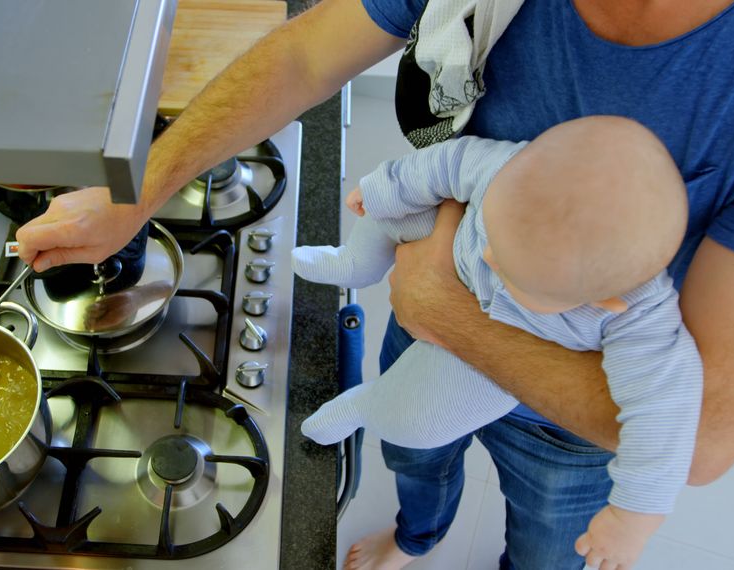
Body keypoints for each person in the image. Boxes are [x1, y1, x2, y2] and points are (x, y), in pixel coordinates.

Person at [16, 0, 734, 568]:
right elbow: (311, 50)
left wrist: (441, 309)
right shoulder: (497, 164)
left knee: (557, 541)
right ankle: (420, 534)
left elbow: (697, 439)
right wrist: (140, 189)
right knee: (414, 446)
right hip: (443, 289)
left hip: (586, 413)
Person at [292, 117, 701, 567]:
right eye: (495, 235)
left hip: (497, 366)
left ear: (604, 299)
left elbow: (664, 423)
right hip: (446, 254)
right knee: (397, 207)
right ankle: (354, 262)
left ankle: (363, 407)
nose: (490, 258)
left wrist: (632, 518)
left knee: (420, 424)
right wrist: (380, 188)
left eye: (512, 270)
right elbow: (445, 163)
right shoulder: (511, 167)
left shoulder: (641, 318)